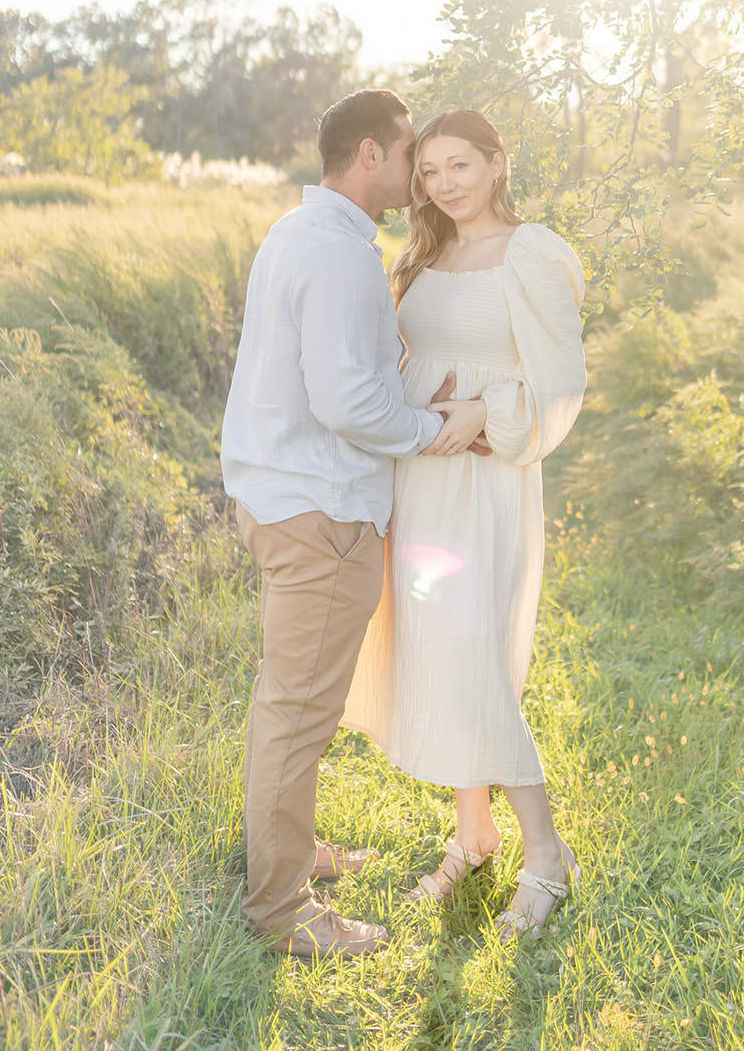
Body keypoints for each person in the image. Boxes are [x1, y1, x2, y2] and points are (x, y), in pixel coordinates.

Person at [220, 89, 486, 961]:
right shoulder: (336, 254)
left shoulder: (303, 234)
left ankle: (288, 853)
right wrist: (432, 433)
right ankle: (280, 909)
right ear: (370, 155)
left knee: (294, 705)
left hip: (288, 494)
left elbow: (335, 377)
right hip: (321, 509)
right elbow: (342, 401)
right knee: (297, 713)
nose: (418, 175)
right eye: (412, 155)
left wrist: (408, 403)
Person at [342, 108, 587, 934]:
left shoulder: (534, 253)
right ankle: (472, 833)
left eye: (459, 167)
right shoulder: (429, 253)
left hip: (484, 480)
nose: (444, 185)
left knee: (475, 656)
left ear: (496, 163)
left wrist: (487, 409)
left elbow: (561, 385)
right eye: (431, 172)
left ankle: (546, 851)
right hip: (423, 479)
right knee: (440, 652)